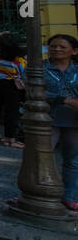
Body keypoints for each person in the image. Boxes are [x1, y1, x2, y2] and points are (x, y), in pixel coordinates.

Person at [43, 33, 78, 212]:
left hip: (73, 120)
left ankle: (69, 196)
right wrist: (64, 100)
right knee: (41, 157)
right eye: (53, 46)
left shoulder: (77, 70)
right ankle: (38, 193)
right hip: (46, 119)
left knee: (72, 160)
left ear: (74, 51)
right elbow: (31, 89)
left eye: (62, 47)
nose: (56, 49)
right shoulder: (40, 67)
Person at [0, 31, 26, 148]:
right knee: (11, 111)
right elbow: (22, 72)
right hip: (10, 85)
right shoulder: (18, 60)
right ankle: (10, 138)